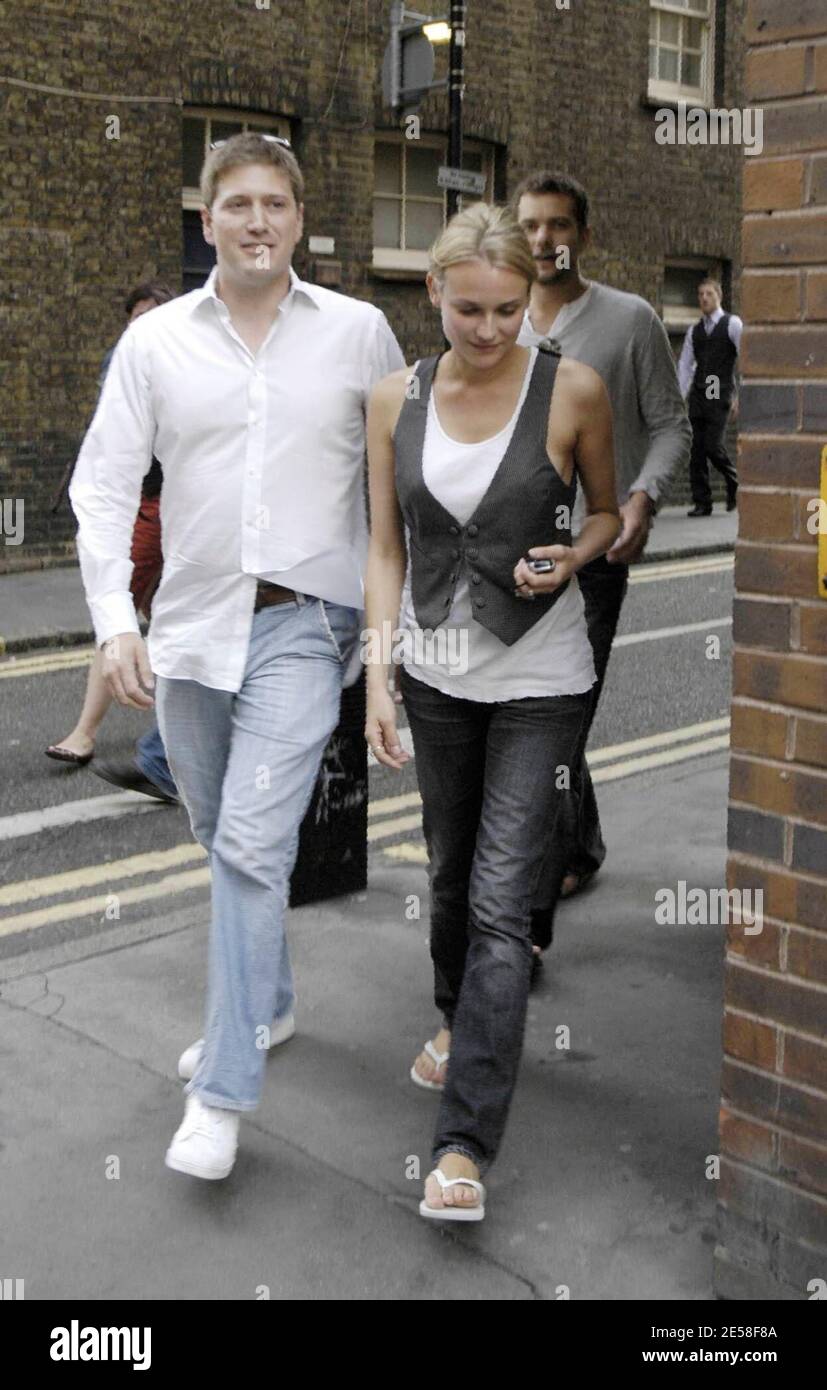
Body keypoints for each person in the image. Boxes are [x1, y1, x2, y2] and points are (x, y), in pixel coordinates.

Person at [69, 132, 404, 1180]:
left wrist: (396, 638)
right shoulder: (156, 342)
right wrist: (115, 619)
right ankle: (271, 1000)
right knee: (221, 835)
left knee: (253, 849)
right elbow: (103, 484)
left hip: (306, 624)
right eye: (235, 204)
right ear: (205, 218)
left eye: (274, 204)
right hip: (192, 630)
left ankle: (220, 1092)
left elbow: (407, 478)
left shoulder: (357, 333)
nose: (256, 221)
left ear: (298, 221)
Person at [364, 203, 620, 1220]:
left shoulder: (574, 391)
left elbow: (606, 512)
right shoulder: (391, 398)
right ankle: (453, 1016)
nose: (486, 329)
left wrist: (575, 551)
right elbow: (384, 547)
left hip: (539, 682)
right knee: (448, 878)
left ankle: (463, 1144)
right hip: (432, 678)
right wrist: (377, 676)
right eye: (467, 309)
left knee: (501, 905)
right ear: (432, 293)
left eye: (507, 310)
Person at [514, 171, 691, 947]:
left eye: (558, 226)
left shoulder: (629, 320)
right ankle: (578, 845)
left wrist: (642, 498)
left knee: (553, 723)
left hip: (596, 552)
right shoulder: (497, 320)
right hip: (515, 550)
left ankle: (520, 925)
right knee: (533, 713)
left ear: (582, 234)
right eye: (530, 227)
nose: (544, 241)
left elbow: (670, 425)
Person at [46, 280, 178, 804]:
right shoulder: (124, 361)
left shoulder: (191, 360)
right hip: (143, 508)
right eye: (135, 316)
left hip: (183, 511)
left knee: (179, 621)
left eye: (152, 315)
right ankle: (88, 734)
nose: (141, 325)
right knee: (121, 617)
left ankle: (165, 749)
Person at [677, 277, 741, 517]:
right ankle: (702, 502)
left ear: (719, 296)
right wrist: (678, 399)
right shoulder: (694, 331)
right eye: (700, 294)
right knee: (696, 451)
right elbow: (684, 366)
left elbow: (746, 357)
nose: (704, 298)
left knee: (713, 446)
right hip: (699, 396)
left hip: (721, 394)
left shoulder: (733, 324)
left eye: (709, 294)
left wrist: (741, 396)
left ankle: (733, 481)